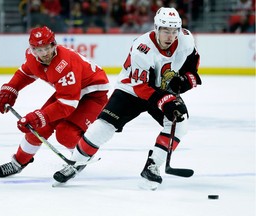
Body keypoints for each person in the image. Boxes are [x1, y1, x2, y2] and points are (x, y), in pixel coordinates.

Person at [53, 7, 202, 189]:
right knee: (103, 127)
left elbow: (191, 66)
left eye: (173, 31)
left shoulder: (186, 39)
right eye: (165, 30)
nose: (170, 36)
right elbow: (142, 87)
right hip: (131, 89)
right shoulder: (142, 47)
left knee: (179, 122)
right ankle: (74, 163)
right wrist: (165, 101)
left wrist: (186, 80)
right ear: (156, 28)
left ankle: (153, 166)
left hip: (161, 89)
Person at [0, 26, 110, 178]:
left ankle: (80, 158)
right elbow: (25, 73)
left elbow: (67, 105)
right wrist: (10, 89)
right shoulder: (31, 56)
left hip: (93, 94)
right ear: (32, 49)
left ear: (54, 45)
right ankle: (18, 162)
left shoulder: (65, 64)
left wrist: (39, 116)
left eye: (47, 48)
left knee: (65, 133)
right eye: (38, 50)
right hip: (70, 92)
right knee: (39, 127)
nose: (44, 54)